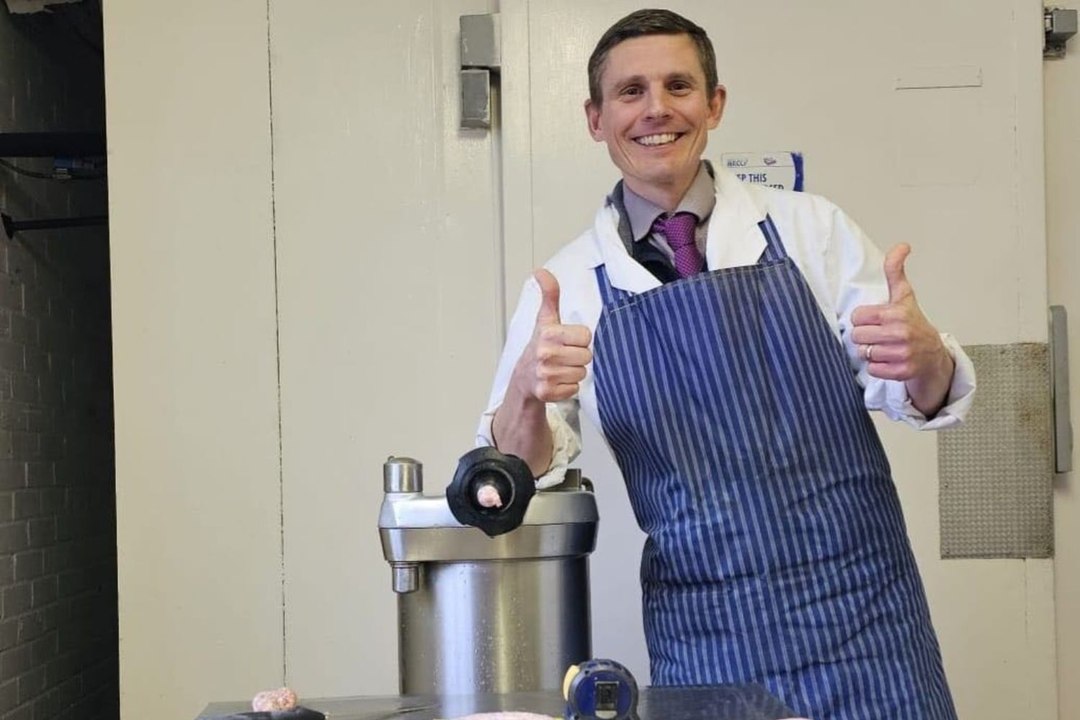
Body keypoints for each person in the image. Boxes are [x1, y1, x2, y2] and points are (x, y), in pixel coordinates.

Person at [476, 8, 976, 720]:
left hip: (869, 623)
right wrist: (527, 395)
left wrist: (925, 357)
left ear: (714, 104)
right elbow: (518, 473)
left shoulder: (812, 229)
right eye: (630, 91)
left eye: (678, 86)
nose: (657, 109)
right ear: (595, 118)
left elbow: (916, 392)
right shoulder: (566, 285)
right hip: (708, 638)